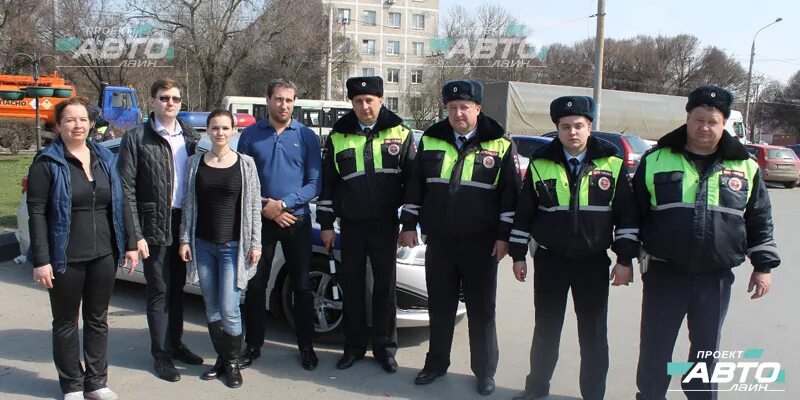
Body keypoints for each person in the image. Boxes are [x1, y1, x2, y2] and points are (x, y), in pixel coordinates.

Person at [633, 85, 780, 400]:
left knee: (706, 351)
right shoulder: (656, 159)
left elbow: (759, 219)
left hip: (715, 278)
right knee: (656, 346)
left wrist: (763, 266)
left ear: (724, 123)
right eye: (698, 119)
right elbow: (633, 214)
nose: (704, 127)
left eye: (712, 121)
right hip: (664, 273)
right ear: (687, 118)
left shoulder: (745, 166)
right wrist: (625, 258)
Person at [508, 96, 639, 400]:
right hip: (551, 262)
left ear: (590, 127)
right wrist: (517, 256)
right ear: (557, 129)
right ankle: (536, 389)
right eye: (565, 126)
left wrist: (624, 259)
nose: (572, 132)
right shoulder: (541, 164)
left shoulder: (612, 165)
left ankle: (593, 395)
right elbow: (524, 214)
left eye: (579, 125)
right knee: (546, 332)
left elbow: (627, 217)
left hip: (593, 263)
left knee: (593, 336)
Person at [399, 80, 519, 395]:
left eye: (464, 107)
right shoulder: (431, 140)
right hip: (440, 242)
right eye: (452, 108)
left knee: (482, 311)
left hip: (482, 244)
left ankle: (484, 372)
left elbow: (510, 197)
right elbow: (415, 187)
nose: (458, 113)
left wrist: (504, 236)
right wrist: (409, 224)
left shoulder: (500, 144)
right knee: (440, 307)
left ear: (478, 109)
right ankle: (436, 364)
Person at [27, 96, 138, 400]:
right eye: (70, 120)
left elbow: (120, 201)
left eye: (83, 120)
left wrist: (129, 243)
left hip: (103, 253)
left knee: (97, 319)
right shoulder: (46, 162)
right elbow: (36, 211)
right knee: (65, 322)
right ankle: (72, 384)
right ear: (59, 125)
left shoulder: (105, 157)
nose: (78, 125)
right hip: (65, 257)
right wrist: (41, 259)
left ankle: (97, 382)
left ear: (91, 124)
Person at [317, 76, 416, 373]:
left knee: (385, 288)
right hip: (352, 225)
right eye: (358, 101)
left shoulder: (400, 132)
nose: (364, 106)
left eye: (369, 100)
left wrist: (408, 222)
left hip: (386, 224)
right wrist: (325, 223)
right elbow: (328, 185)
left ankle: (385, 349)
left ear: (381, 100)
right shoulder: (338, 136)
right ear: (352, 103)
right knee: (354, 286)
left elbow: (413, 182)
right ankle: (354, 346)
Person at [117, 78, 203, 382]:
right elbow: (125, 188)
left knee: (177, 289)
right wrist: (135, 234)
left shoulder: (191, 136)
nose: (170, 103)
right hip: (152, 222)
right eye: (164, 98)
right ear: (153, 101)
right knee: (159, 291)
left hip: (182, 224)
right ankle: (161, 355)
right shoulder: (137, 137)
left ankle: (176, 344)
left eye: (176, 99)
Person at [237, 79, 322, 370]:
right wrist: (268, 209)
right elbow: (243, 181)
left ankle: (306, 346)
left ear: (294, 102)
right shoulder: (250, 136)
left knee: (302, 286)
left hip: (296, 220)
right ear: (267, 99)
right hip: (261, 221)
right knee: (256, 284)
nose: (283, 105)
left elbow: (314, 184)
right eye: (278, 99)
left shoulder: (307, 136)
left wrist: (283, 204)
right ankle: (253, 346)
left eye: (289, 100)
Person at [177, 109, 262, 388]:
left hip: (233, 248)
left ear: (233, 130)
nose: (220, 133)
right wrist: (185, 240)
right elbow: (189, 204)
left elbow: (253, 207)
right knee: (212, 308)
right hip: (203, 244)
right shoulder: (194, 163)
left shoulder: (245, 164)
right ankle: (223, 359)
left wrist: (255, 243)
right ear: (207, 131)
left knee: (230, 307)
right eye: (215, 128)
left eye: (225, 128)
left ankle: (233, 363)